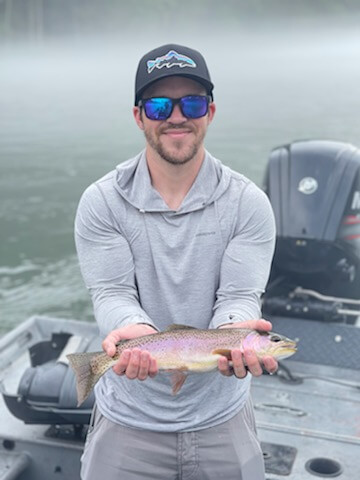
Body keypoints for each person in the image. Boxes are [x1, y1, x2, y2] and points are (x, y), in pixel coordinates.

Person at [75, 43, 277, 480]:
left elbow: (240, 295)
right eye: (160, 105)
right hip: (127, 419)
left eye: (192, 102)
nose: (176, 117)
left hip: (222, 416)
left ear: (210, 111)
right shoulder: (102, 202)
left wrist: (234, 331)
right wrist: (138, 332)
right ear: (139, 116)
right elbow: (112, 292)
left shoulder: (249, 203)